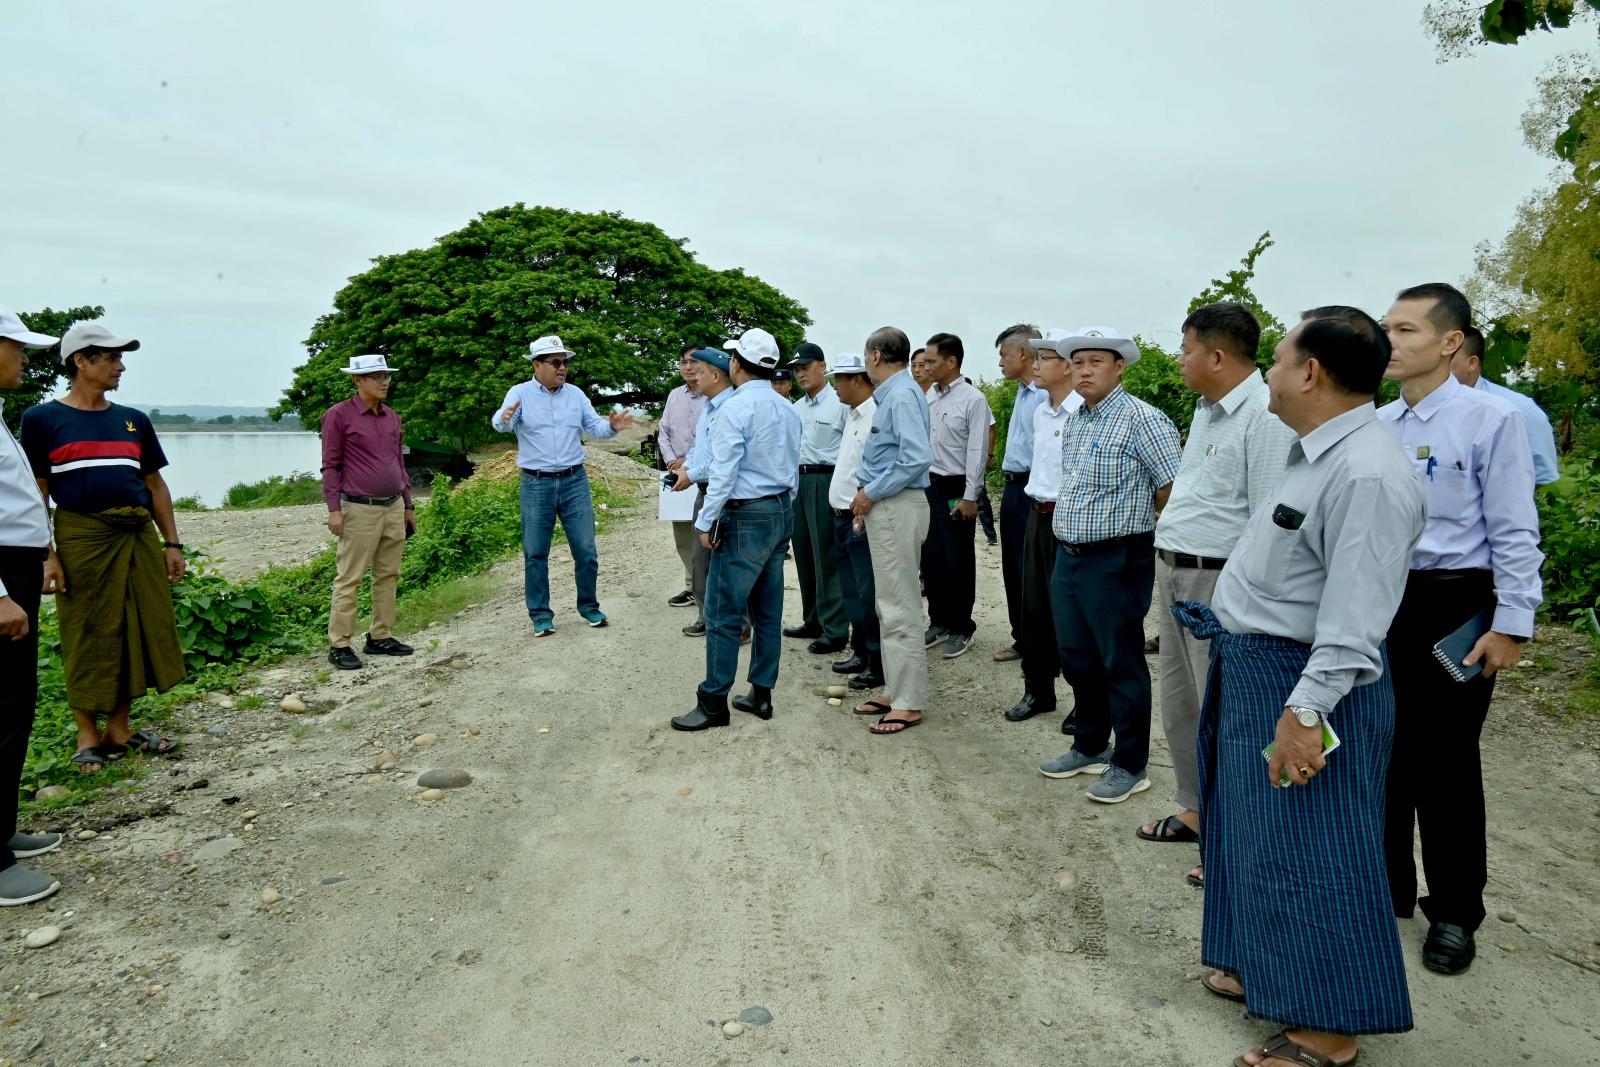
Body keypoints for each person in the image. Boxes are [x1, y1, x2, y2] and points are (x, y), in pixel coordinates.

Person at [1176, 305, 1425, 1067]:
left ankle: (1328, 1030)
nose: (1270, 373)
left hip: (1305, 683)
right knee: (1257, 836)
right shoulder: (1314, 450)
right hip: (1259, 668)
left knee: (1316, 849)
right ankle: (1266, 967)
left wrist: (1307, 711)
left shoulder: (1368, 472)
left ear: (1311, 372)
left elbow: (1356, 617)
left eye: (1279, 359)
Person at [1378, 283, 1543, 975]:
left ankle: (1454, 909)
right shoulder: (1378, 423)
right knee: (1381, 747)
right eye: (1386, 328)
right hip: (1383, 598)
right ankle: (1386, 888)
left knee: (1446, 759)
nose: (1389, 341)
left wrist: (1512, 624)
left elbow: (1515, 528)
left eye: (1406, 330)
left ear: (1450, 342)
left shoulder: (1490, 419)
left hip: (1455, 604)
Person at [1139, 303, 1295, 890]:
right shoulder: (1207, 411)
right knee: (1182, 703)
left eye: (1186, 350)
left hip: (1220, 582)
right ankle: (1197, 809)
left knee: (1226, 712)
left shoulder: (1263, 416)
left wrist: (1243, 600)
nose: (1180, 360)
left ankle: (1234, 836)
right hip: (1177, 572)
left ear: (1218, 356)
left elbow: (1268, 519)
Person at [21, 322, 186, 777]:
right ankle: (86, 736)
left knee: (136, 624)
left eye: (120, 358)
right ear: (81, 361)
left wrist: (172, 543)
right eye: (112, 358)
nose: (121, 366)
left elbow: (154, 484)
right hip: (82, 536)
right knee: (87, 629)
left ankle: (119, 729)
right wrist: (47, 553)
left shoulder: (133, 420)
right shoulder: (42, 419)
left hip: (137, 535)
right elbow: (37, 492)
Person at [1036, 327, 1181, 804]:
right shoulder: (1078, 419)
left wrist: (1139, 529)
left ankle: (1131, 763)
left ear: (1119, 367)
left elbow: (1172, 487)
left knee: (1120, 661)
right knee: (1077, 656)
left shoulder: (1144, 420)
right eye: (1077, 363)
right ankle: (1090, 745)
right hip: (1070, 555)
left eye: (1096, 362)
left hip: (1117, 557)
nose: (1084, 371)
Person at [671, 329, 801, 730]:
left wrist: (706, 521)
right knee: (767, 609)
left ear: (736, 363)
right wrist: (784, 511)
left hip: (745, 514)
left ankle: (713, 701)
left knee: (722, 611)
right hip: (779, 509)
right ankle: (761, 693)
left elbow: (725, 474)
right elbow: (792, 467)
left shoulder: (736, 408)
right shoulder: (786, 408)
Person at [491, 335, 633, 637]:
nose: (563, 368)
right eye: (556, 362)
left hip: (574, 482)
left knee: (586, 550)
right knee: (535, 553)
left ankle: (589, 607)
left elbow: (595, 427)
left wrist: (612, 427)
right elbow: (502, 422)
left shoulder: (576, 395)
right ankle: (541, 615)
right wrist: (503, 418)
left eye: (565, 362)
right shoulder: (519, 393)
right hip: (536, 484)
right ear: (537, 365)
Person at [0, 306, 63, 906]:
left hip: (16, 566)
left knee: (15, 704)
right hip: (0, 577)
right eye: (15, 346)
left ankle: (3, 830)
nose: (23, 357)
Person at [849, 327, 932, 735]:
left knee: (900, 604)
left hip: (897, 504)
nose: (866, 363)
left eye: (866, 356)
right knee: (889, 603)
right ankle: (895, 690)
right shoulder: (896, 394)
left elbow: (916, 457)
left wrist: (871, 493)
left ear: (877, 356)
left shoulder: (900, 395)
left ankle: (908, 702)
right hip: (890, 504)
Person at [1002, 329, 1082, 729]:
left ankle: (1085, 700)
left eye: (1043, 358)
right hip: (1038, 513)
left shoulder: (1084, 413)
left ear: (1067, 366)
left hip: (1069, 519)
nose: (1035, 365)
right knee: (1033, 607)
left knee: (1069, 612)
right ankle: (1038, 689)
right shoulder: (1041, 412)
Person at [321, 354, 416, 670]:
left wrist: (409, 504)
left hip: (393, 505)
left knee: (388, 574)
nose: (384, 382)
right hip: (359, 509)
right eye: (376, 376)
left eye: (386, 375)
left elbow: (398, 463)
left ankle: (380, 636)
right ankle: (339, 643)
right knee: (350, 577)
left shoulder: (392, 417)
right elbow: (330, 466)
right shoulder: (338, 415)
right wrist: (334, 510)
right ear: (357, 380)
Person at [920, 333, 989, 659]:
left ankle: (962, 626)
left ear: (951, 362)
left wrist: (970, 495)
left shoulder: (973, 399)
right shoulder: (928, 397)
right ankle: (939, 621)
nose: (926, 367)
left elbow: (977, 450)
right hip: (928, 486)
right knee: (931, 557)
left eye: (931, 361)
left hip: (957, 489)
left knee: (957, 558)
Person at [783, 342, 850, 655]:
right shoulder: (795, 408)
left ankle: (835, 629)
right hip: (799, 480)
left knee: (827, 556)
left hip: (826, 479)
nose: (801, 374)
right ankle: (812, 619)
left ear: (822, 367)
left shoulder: (840, 404)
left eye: (806, 368)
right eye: (796, 369)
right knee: (804, 552)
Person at [672, 348, 744, 642]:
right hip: (705, 492)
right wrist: (685, 468)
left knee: (727, 563)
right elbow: (699, 450)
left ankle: (738, 625)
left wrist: (691, 474)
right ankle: (706, 616)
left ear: (716, 376)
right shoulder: (710, 407)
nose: (695, 376)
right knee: (700, 560)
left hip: (725, 494)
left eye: (700, 371)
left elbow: (723, 462)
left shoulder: (732, 408)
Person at [824, 352, 885, 690]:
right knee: (851, 590)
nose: (835, 387)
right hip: (841, 516)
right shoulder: (852, 415)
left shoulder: (876, 413)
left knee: (867, 591)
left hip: (859, 517)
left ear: (857, 380)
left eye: (839, 380)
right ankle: (861, 651)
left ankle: (876, 661)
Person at [992, 325, 1044, 663]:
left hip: (1031, 489)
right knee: (1012, 565)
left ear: (1023, 353)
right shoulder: (1024, 393)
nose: (1000, 363)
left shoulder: (1044, 395)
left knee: (1031, 569)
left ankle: (1037, 642)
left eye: (1004, 355)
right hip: (1013, 487)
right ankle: (1022, 637)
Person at [1451, 325, 1560, 486]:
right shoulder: (1419, 406)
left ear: (1472, 363)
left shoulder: (1520, 409)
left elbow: (1543, 477)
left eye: (1447, 357)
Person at [658, 345, 708, 607]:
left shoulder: (714, 396)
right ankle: (691, 586)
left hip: (704, 472)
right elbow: (663, 431)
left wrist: (687, 462)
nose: (688, 367)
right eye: (683, 362)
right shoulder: (674, 396)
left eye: (693, 361)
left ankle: (707, 587)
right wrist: (671, 461)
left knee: (705, 529)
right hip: (676, 473)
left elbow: (708, 439)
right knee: (682, 535)